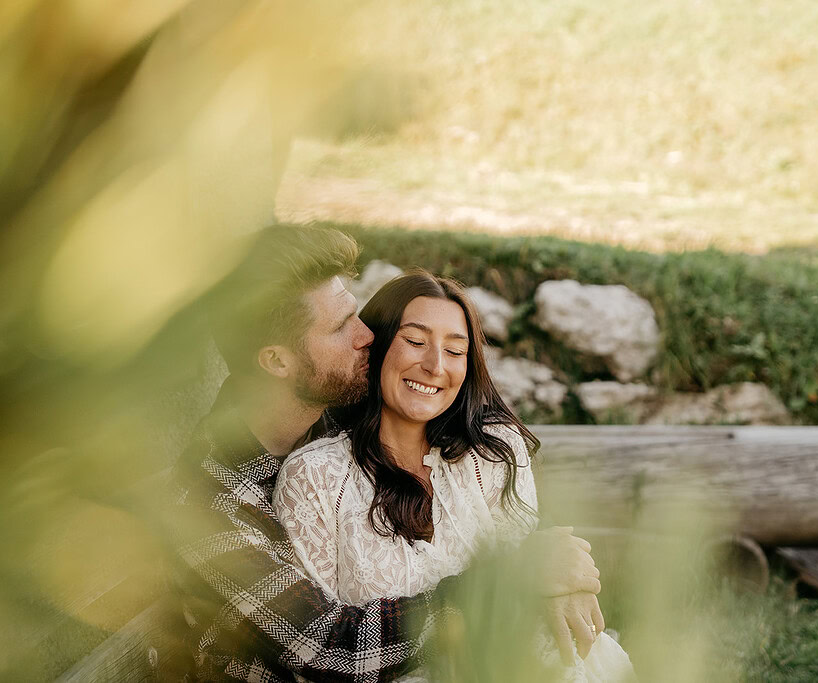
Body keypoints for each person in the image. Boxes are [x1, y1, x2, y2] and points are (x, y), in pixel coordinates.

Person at [170, 225, 602, 681]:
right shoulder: (207, 505)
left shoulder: (334, 408)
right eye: (340, 327)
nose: (367, 336)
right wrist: (509, 579)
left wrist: (558, 575)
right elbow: (334, 648)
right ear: (277, 361)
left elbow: (475, 449)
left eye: (355, 314)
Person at [272, 271, 634, 681]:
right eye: (415, 341)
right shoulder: (315, 477)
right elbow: (327, 651)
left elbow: (538, 573)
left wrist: (570, 580)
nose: (434, 366)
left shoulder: (494, 453)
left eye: (455, 350)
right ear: (377, 345)